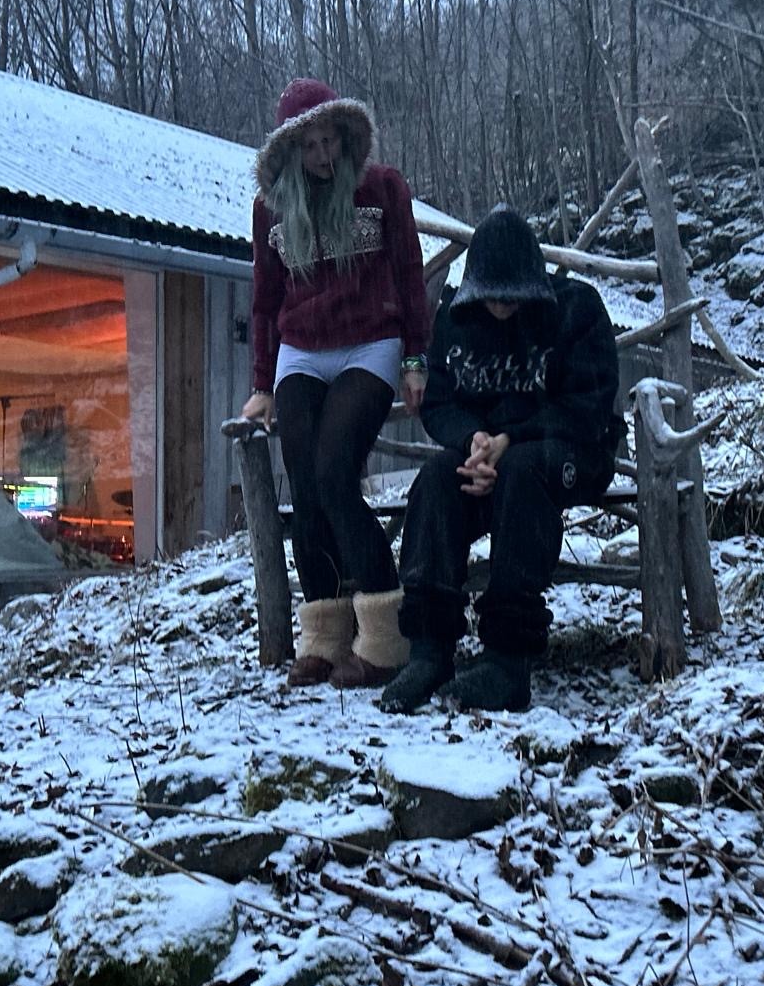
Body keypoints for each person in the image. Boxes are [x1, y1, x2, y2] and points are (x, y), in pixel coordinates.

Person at [380, 207, 621, 714]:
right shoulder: (456, 319)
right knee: (436, 480)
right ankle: (430, 649)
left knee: (522, 471)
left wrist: (510, 440)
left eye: (512, 297)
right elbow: (440, 401)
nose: (502, 307)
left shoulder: (577, 310)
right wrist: (473, 440)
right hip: (486, 454)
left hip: (570, 449)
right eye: (492, 296)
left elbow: (588, 404)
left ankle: (509, 659)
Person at [241, 78, 431, 688]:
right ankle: (323, 632)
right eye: (310, 146)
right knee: (304, 480)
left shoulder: (381, 189)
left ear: (345, 138)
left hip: (370, 342)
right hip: (300, 349)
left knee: (333, 472)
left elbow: (409, 275)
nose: (323, 155)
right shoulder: (270, 210)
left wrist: (414, 358)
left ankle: (385, 634)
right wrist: (263, 382)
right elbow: (265, 302)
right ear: (291, 152)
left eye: (330, 141)